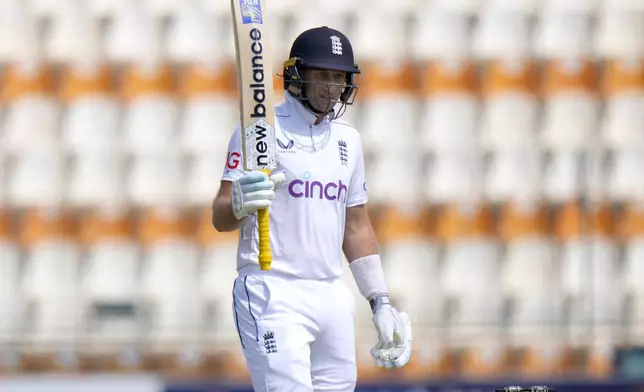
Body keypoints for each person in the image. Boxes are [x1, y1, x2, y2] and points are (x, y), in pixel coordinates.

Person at [212, 26, 412, 392]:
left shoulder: (348, 141)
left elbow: (356, 225)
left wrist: (380, 302)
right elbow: (220, 215)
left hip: (331, 292)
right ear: (297, 75)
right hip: (273, 289)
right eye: (321, 75)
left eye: (338, 77)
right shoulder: (259, 130)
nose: (331, 87)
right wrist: (239, 203)